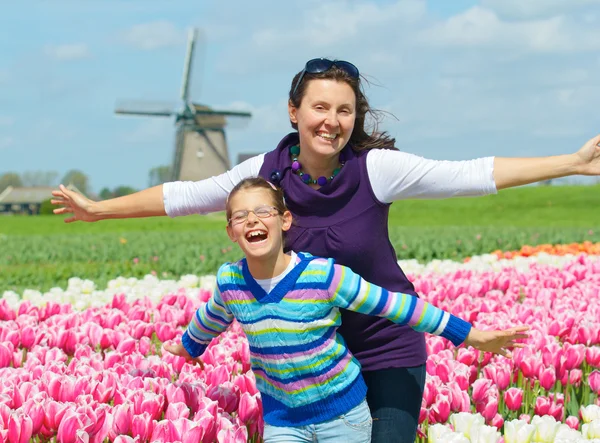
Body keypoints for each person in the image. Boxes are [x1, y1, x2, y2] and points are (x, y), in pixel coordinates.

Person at [51, 58, 600, 442]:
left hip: (385, 345)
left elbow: (468, 175)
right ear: (294, 111)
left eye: (344, 111)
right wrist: (99, 209)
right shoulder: (265, 175)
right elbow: (187, 195)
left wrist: (571, 164)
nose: (331, 122)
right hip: (312, 356)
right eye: (319, 107)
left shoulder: (375, 170)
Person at [163, 177, 529, 443]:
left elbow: (395, 306)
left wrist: (470, 335)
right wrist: (188, 346)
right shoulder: (232, 282)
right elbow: (211, 317)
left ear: (285, 220)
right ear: (230, 232)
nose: (252, 221)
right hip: (282, 420)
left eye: (263, 211)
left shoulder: (323, 276)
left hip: (343, 417)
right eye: (240, 216)